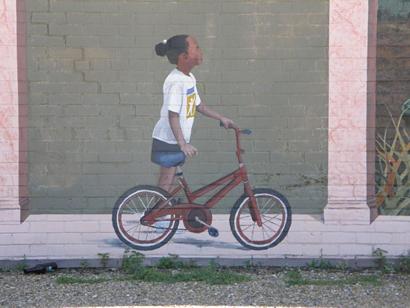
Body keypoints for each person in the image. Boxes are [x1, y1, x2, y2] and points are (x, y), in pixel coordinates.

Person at [152, 34, 234, 192]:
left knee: (173, 183)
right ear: (184, 56)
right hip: (168, 139)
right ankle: (156, 216)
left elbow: (199, 106)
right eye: (196, 48)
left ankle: (165, 212)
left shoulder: (189, 78)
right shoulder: (176, 81)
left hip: (176, 139)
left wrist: (221, 118)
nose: (200, 51)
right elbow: (173, 115)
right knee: (166, 180)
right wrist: (182, 143)